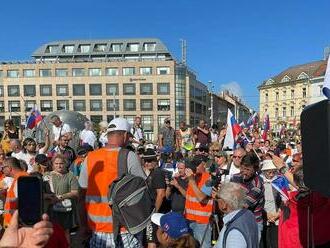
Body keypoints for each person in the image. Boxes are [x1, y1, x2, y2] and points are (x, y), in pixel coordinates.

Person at [78, 117, 146, 247]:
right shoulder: (128, 156)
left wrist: (83, 225)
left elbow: (81, 196)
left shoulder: (90, 157)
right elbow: (143, 191)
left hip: (96, 229)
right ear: (125, 135)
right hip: (124, 228)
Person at [231, 152, 265, 242]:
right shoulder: (235, 177)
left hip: (253, 223)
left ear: (255, 169)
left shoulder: (257, 186)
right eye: (242, 168)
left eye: (248, 169)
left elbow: (242, 206)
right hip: (236, 220)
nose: (244, 172)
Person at [45, 154, 79, 244]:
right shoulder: (47, 176)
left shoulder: (70, 176)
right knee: (51, 230)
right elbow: (41, 191)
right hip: (50, 208)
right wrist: (48, 196)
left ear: (65, 164)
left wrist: (60, 197)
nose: (59, 165)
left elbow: (75, 192)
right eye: (56, 163)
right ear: (52, 164)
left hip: (65, 209)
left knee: (65, 231)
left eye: (61, 163)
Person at [214, 182, 259, 248]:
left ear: (224, 204)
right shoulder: (248, 214)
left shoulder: (235, 232)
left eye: (218, 199)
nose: (217, 202)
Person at [184, 156, 213, 248]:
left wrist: (192, 181)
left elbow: (202, 198)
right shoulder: (193, 177)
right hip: (189, 220)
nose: (195, 167)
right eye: (193, 165)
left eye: (197, 165)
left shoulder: (209, 179)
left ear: (204, 164)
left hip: (202, 222)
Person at [142, 149, 166, 247]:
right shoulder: (152, 173)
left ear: (156, 160)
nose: (147, 163)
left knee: (151, 241)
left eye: (150, 160)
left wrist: (154, 212)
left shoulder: (157, 173)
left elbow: (161, 194)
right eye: (145, 161)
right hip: (152, 212)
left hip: (155, 214)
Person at [260, 160, 282, 248]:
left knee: (275, 243)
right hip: (264, 216)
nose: (272, 174)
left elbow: (285, 200)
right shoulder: (260, 182)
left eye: (274, 171)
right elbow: (258, 201)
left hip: (277, 217)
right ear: (264, 171)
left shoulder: (280, 181)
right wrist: (266, 214)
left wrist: (277, 214)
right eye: (269, 172)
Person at [3, 157, 29, 227]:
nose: (2, 170)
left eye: (3, 168)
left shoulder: (21, 179)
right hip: (14, 223)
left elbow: (22, 203)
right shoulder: (19, 178)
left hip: (17, 225)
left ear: (9, 168)